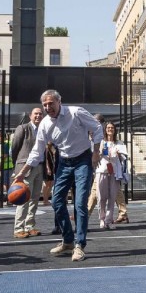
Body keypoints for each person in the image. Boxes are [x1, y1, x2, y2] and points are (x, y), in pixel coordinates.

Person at [14, 89, 102, 262]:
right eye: (45, 104)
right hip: (64, 162)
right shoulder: (45, 124)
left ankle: (80, 244)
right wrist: (21, 173)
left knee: (80, 203)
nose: (48, 107)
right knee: (56, 201)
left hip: (83, 160)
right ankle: (68, 240)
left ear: (59, 101)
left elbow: (97, 128)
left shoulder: (76, 112)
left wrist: (96, 152)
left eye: (50, 103)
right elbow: (37, 152)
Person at [11, 107, 44, 238]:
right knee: (23, 198)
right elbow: (14, 148)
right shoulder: (23, 128)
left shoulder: (43, 129)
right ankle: (18, 228)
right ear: (30, 115)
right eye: (36, 113)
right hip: (25, 168)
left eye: (41, 114)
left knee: (35, 198)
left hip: (39, 167)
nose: (38, 116)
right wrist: (19, 166)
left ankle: (30, 226)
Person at [96, 122, 127, 229]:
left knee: (112, 197)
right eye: (108, 128)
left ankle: (109, 221)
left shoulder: (119, 143)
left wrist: (119, 154)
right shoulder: (101, 142)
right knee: (101, 197)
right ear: (105, 130)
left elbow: (124, 158)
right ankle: (102, 219)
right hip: (102, 170)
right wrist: (100, 153)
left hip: (114, 172)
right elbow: (97, 156)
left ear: (115, 130)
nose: (110, 129)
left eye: (112, 128)